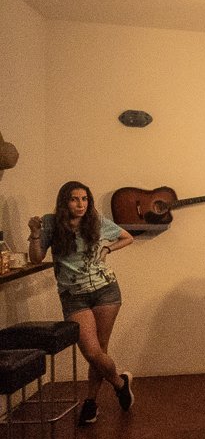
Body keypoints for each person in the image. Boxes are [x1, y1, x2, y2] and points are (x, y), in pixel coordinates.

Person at [27, 181, 135, 426]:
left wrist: (107, 249)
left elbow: (127, 237)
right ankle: (120, 383)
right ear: (64, 202)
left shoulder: (95, 221)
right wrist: (34, 233)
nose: (80, 204)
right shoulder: (51, 223)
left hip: (105, 290)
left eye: (84, 199)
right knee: (92, 352)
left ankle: (91, 402)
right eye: (74, 199)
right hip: (73, 296)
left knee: (100, 350)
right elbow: (36, 258)